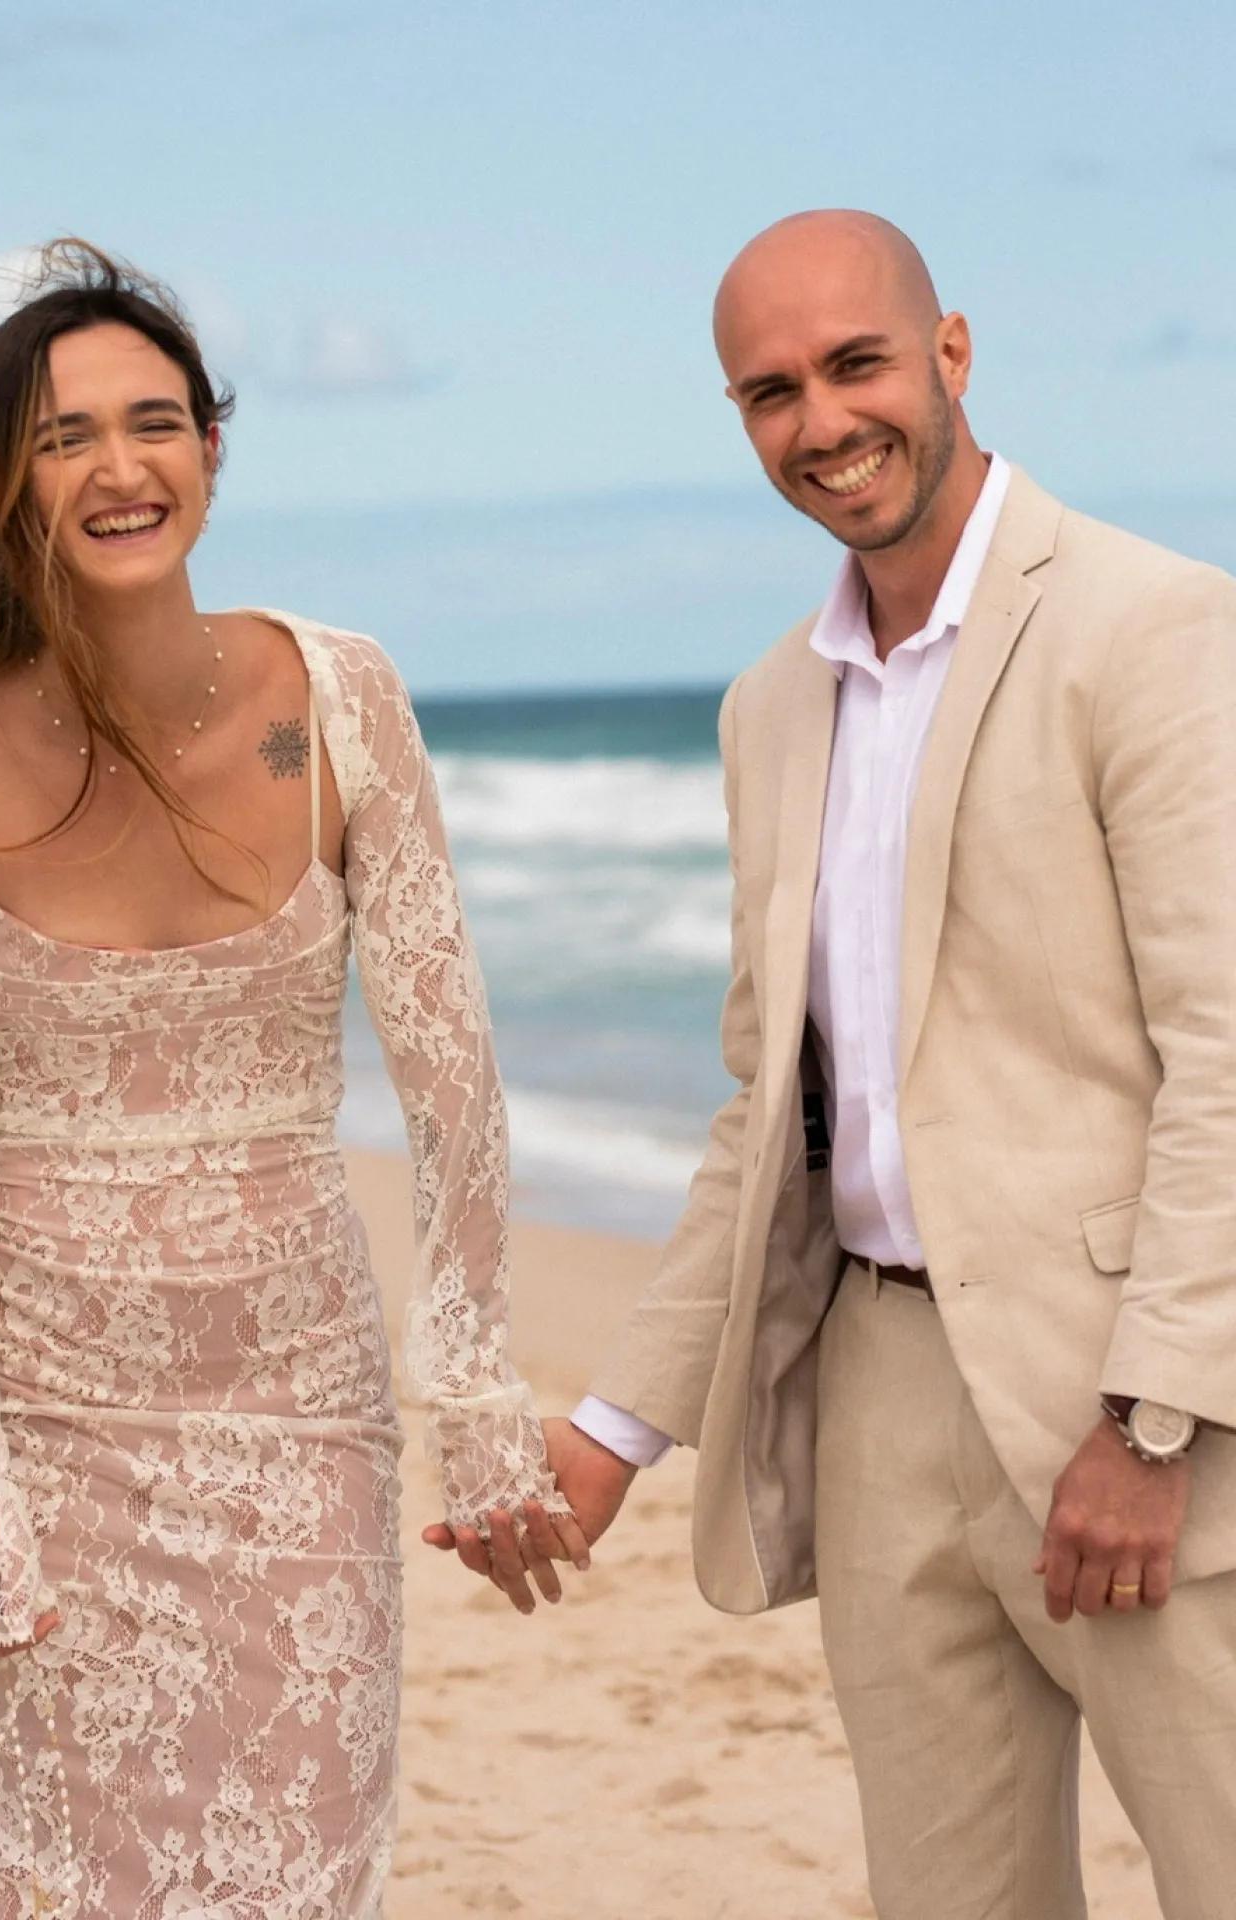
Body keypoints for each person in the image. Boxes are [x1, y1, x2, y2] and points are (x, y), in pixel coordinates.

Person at [0, 239, 583, 1919]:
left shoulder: (344, 696)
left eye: (152, 421)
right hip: (50, 1439)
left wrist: (475, 1391)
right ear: (5, 484)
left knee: (295, 1867)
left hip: (306, 1422)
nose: (116, 466)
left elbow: (454, 1077)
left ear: (213, 451)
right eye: (63, 436)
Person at [475, 210, 1236, 1916]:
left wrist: (1155, 1419)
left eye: (856, 365)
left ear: (950, 352)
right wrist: (616, 1428)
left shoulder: (1157, 628)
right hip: (883, 1401)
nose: (821, 422)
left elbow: (1230, 1057)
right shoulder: (770, 709)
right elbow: (773, 1119)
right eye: (770, 391)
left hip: (1129, 1404)